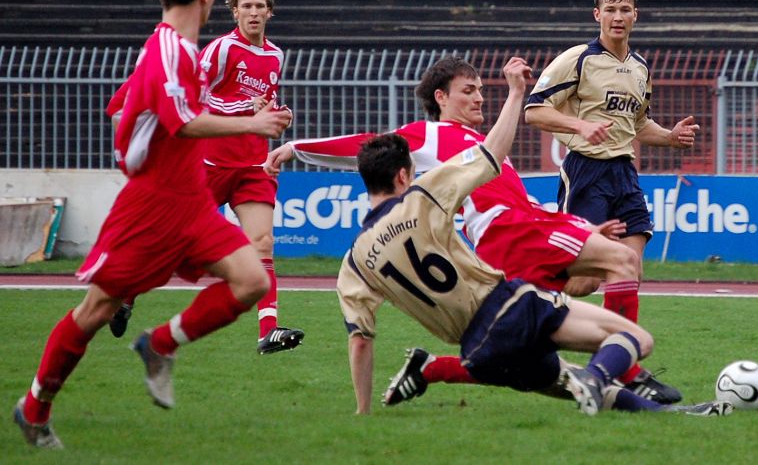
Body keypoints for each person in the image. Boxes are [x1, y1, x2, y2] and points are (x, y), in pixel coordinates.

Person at [266, 55, 681, 404]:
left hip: (519, 231)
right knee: (622, 260)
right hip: (510, 230)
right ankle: (625, 372)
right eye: (468, 90)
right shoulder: (430, 135)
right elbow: (367, 146)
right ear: (441, 98)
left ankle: (434, 369)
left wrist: (578, 228)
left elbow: (514, 196)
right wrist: (296, 148)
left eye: (481, 89)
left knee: (556, 313)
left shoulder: (478, 142)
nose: (479, 97)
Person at [12, 0, 293, 449]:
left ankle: (160, 343)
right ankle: (34, 409)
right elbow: (178, 120)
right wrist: (250, 122)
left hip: (191, 201)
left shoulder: (176, 50)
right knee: (95, 311)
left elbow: (121, 107)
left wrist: (138, 134)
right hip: (152, 206)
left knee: (251, 278)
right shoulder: (173, 50)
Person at [108, 0, 304, 355]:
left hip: (252, 164)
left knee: (263, 242)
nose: (253, 12)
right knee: (169, 240)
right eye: (246, 6)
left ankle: (268, 330)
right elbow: (195, 99)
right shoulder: (222, 49)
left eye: (260, 6)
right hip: (211, 162)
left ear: (270, 12)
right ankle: (127, 295)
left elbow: (262, 103)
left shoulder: (275, 56)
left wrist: (279, 114)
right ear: (234, 11)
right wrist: (245, 108)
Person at [523, 0, 698, 394]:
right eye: (611, 10)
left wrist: (670, 137)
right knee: (585, 281)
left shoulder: (639, 68)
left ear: (636, 15)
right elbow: (533, 110)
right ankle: (521, 306)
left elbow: (638, 125)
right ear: (597, 15)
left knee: (629, 267)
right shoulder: (578, 59)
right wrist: (579, 125)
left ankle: (620, 367)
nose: (618, 17)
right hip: (586, 172)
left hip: (624, 173)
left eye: (625, 10)